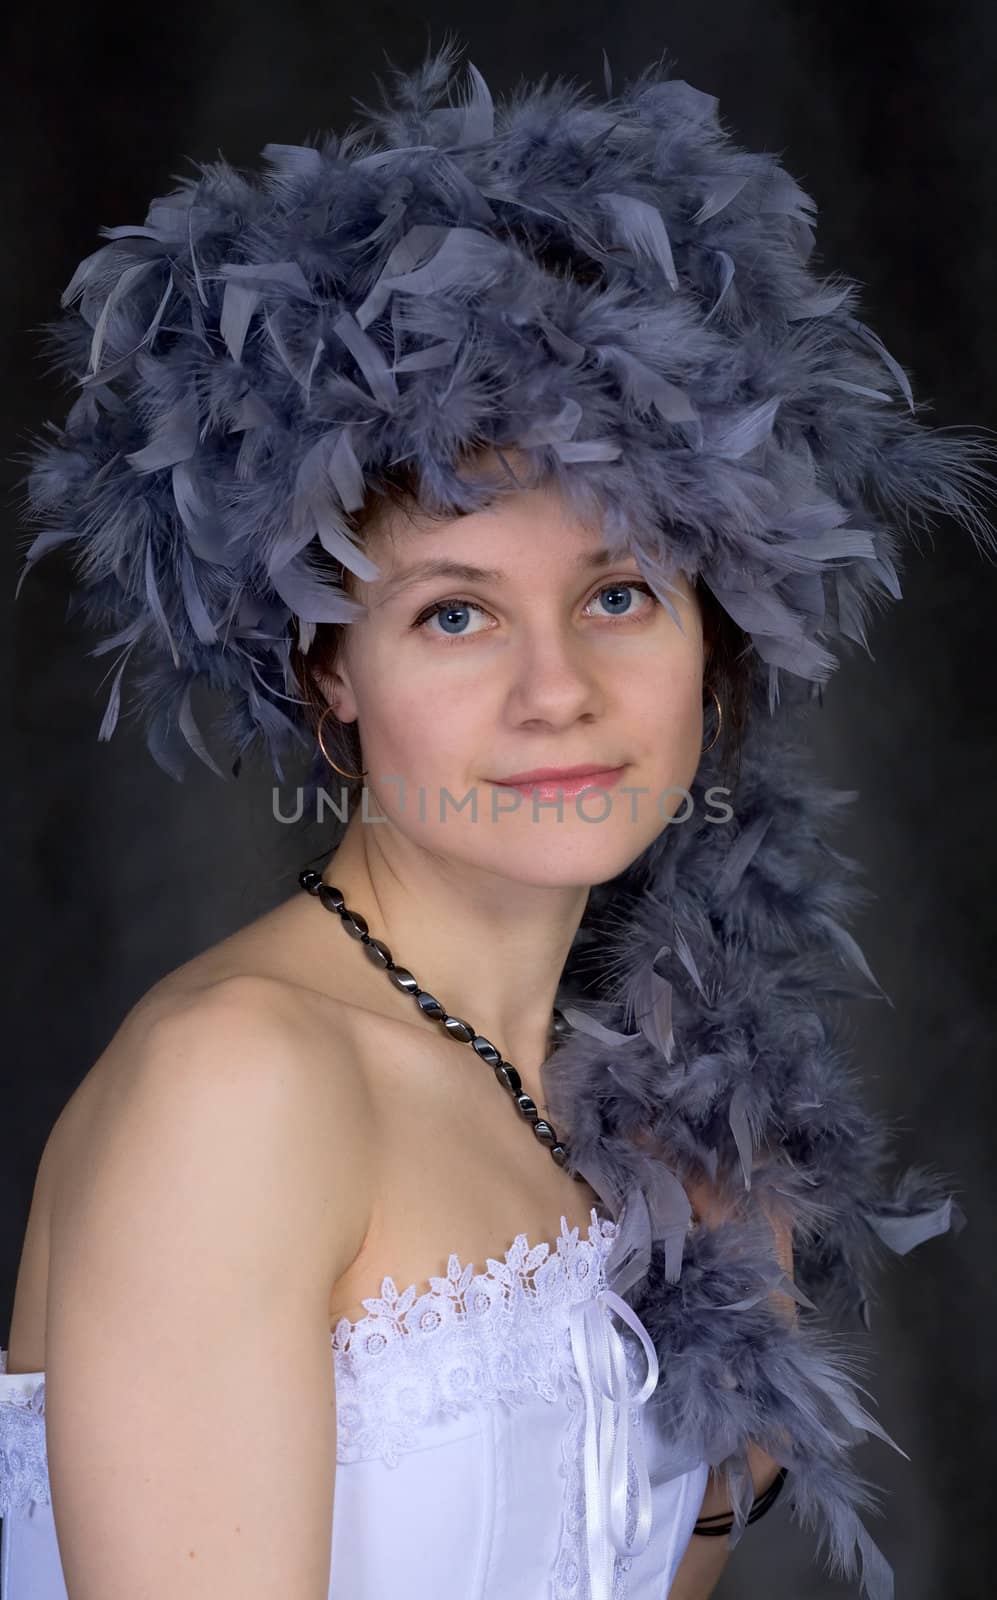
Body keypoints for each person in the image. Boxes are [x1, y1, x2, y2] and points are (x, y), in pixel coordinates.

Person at [2, 37, 994, 1600]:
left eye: (617, 594)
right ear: (328, 673)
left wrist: (727, 1414)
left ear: (713, 641)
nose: (559, 692)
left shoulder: (667, 1132)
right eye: (454, 617)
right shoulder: (241, 1088)